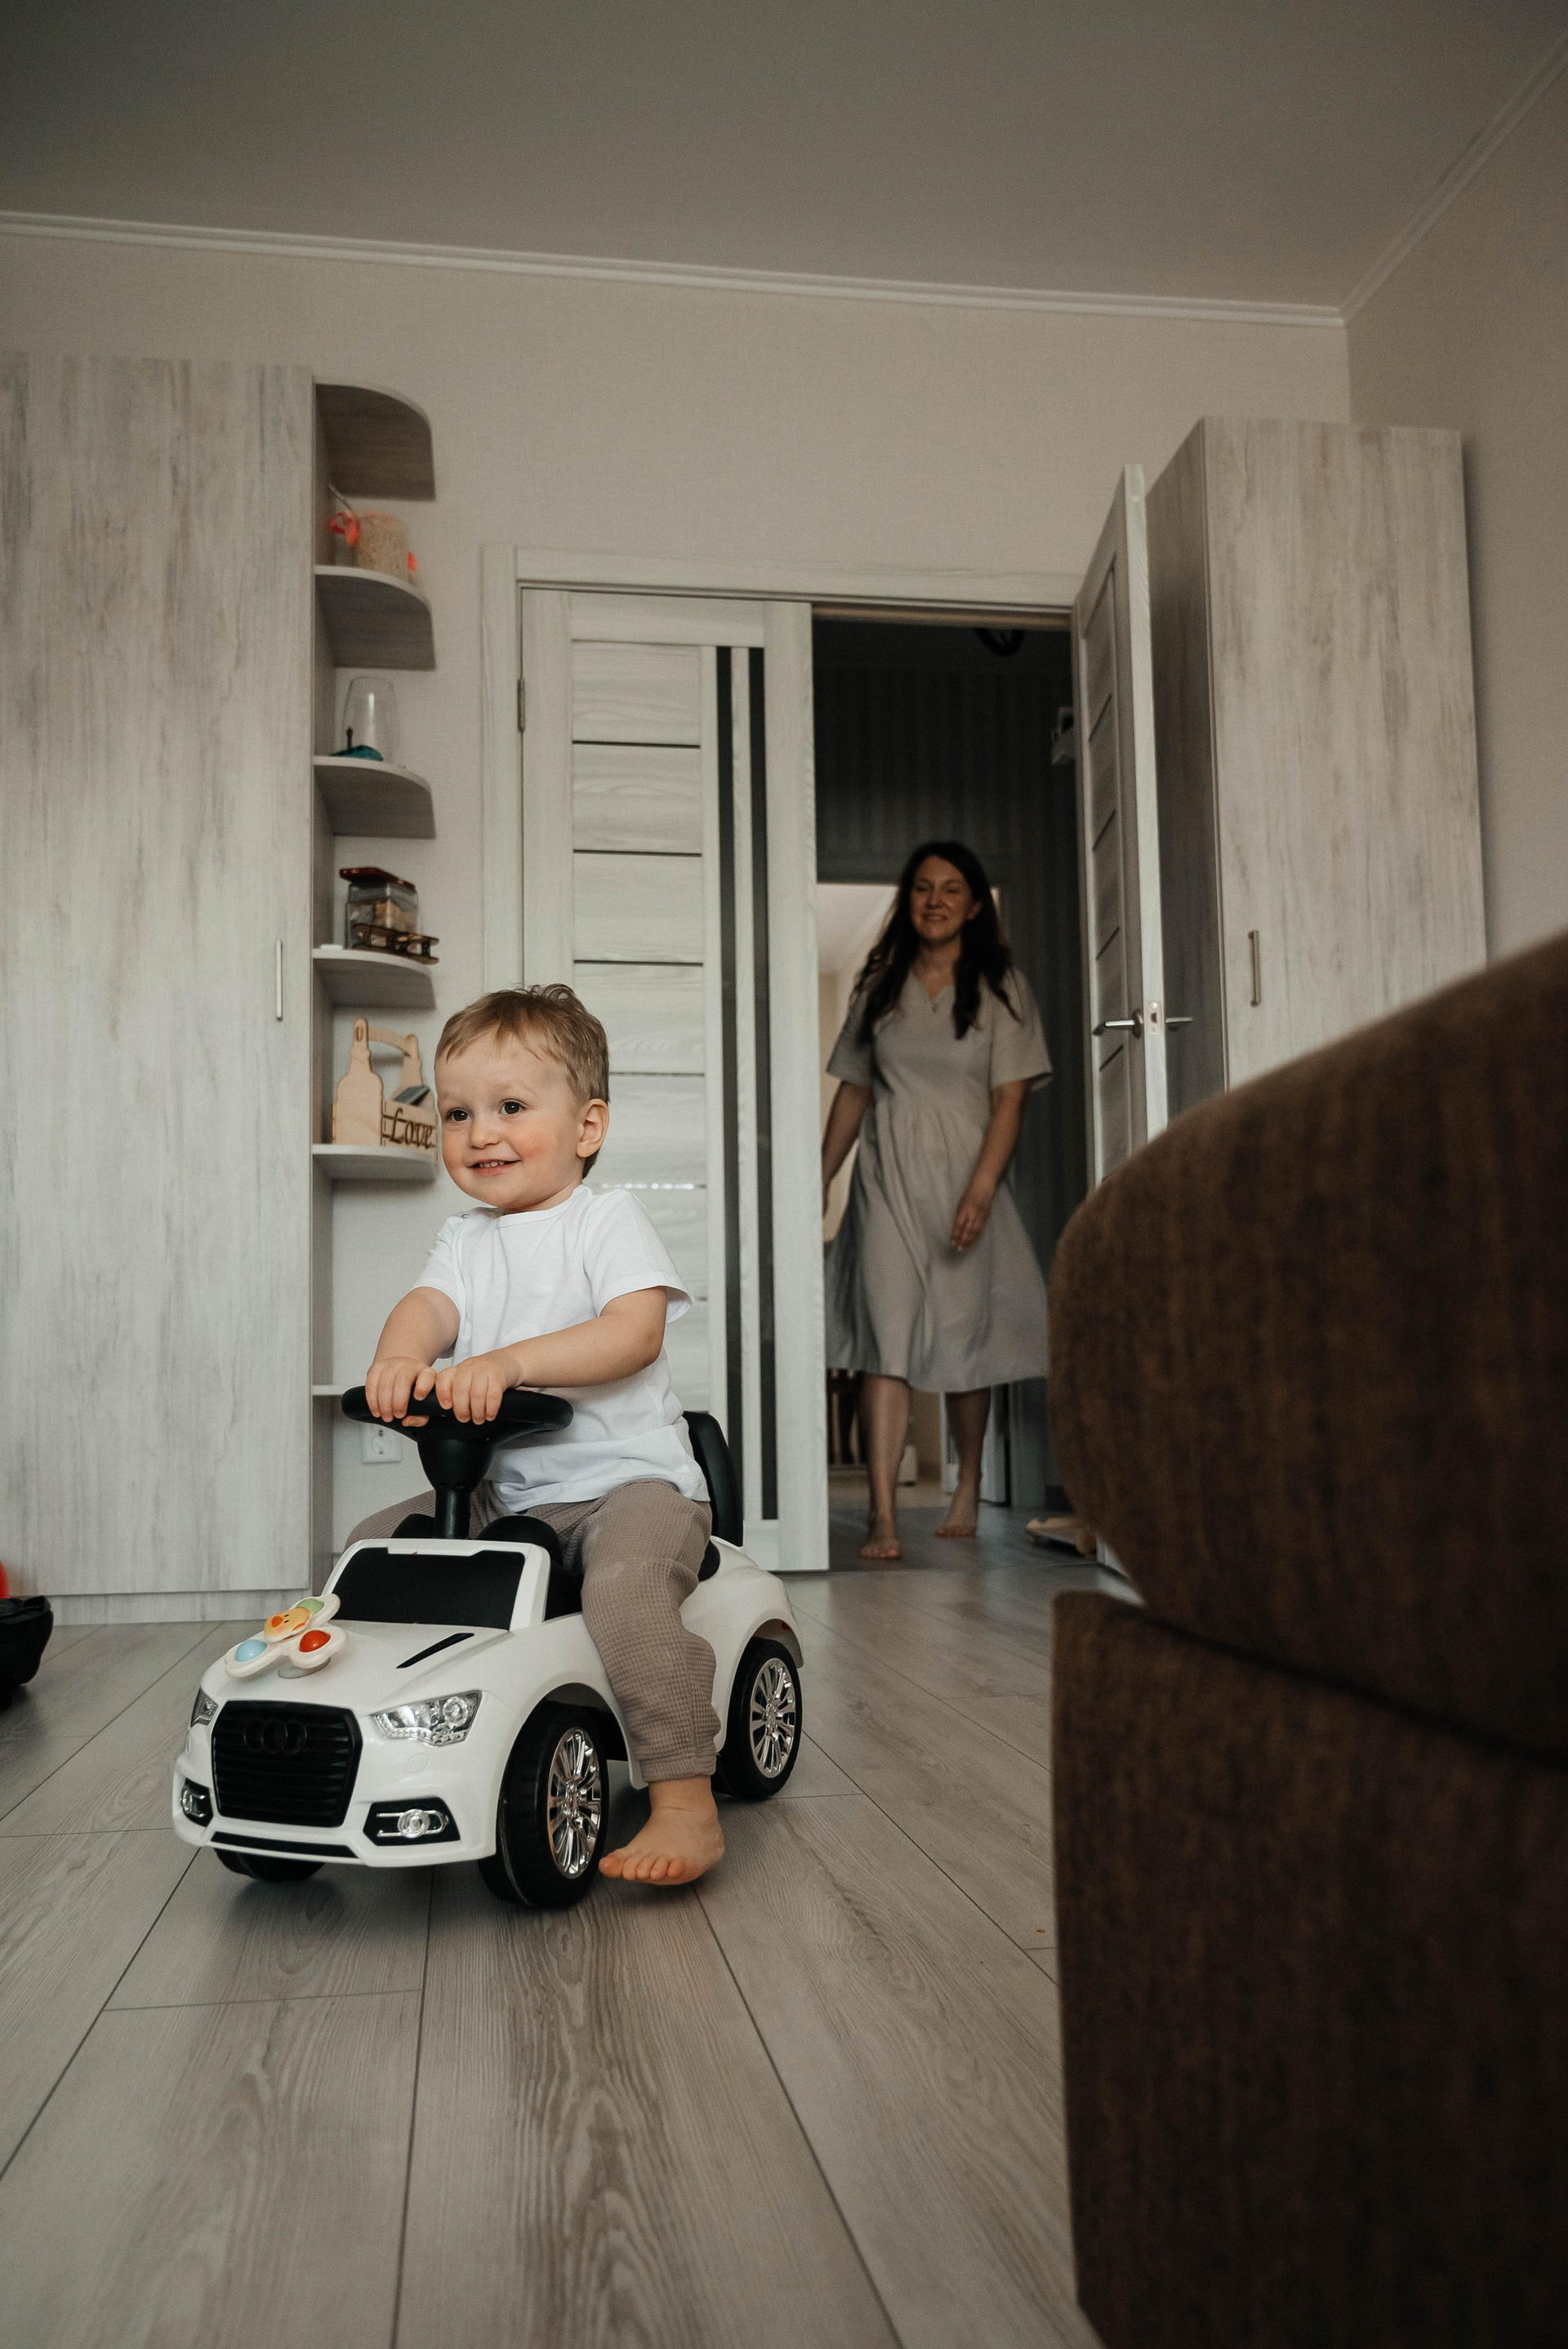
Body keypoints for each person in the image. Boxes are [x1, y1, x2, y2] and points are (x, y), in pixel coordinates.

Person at [346, 983, 723, 1886]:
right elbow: (428, 1306)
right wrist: (399, 1356)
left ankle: (683, 1795)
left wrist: (511, 1363)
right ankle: (385, 1749)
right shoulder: (465, 1239)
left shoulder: (604, 1219)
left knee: (626, 1595)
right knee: (370, 1554)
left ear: (588, 1126)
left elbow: (632, 1334)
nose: (481, 1133)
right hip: (508, 1494)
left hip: (629, 1487)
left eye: (511, 1107)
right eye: (459, 1113)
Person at [822, 840, 1052, 1560]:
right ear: (908, 901)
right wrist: (820, 1175)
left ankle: (969, 1478)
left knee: (963, 1336)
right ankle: (883, 1514)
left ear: (975, 905)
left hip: (965, 1179)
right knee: (885, 1340)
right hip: (885, 1180)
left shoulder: (1003, 987)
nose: (935, 900)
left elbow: (1011, 1098)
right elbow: (855, 1089)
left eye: (951, 889)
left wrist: (982, 1188)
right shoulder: (879, 986)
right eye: (923, 888)